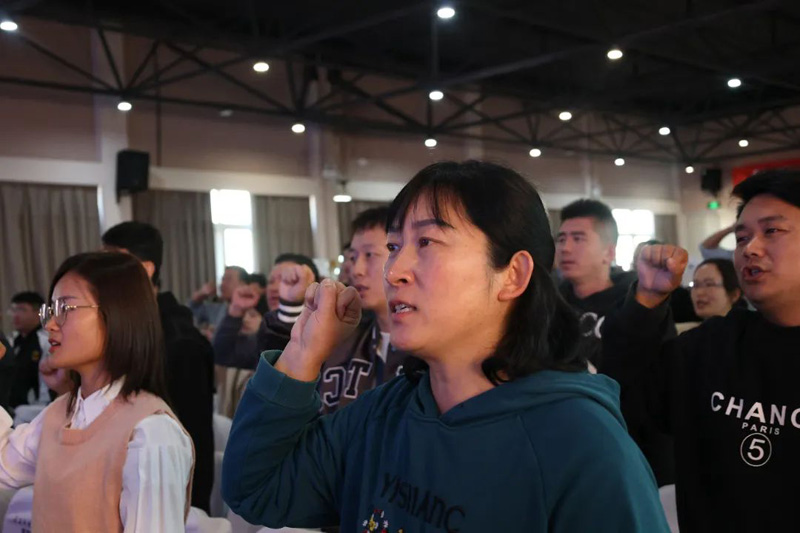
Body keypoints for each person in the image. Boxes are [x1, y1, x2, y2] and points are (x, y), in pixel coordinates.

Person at [221, 161, 669, 532]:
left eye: (427, 242)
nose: (394, 270)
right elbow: (256, 489)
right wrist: (303, 351)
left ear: (513, 275)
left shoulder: (582, 446)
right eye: (394, 245)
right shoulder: (384, 414)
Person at [601, 168, 800, 531]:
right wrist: (646, 300)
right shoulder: (711, 347)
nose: (750, 249)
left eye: (772, 231)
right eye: (742, 237)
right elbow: (625, 396)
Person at [0, 252, 194, 532]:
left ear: (117, 314)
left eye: (65, 308)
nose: (51, 324)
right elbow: (4, 466)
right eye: (50, 310)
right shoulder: (61, 413)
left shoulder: (150, 433)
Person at [215, 210, 407, 414]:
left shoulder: (415, 343)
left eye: (369, 255)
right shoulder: (341, 335)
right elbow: (284, 375)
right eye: (352, 257)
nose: (356, 269)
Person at [557, 200, 674, 486]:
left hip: (628, 445)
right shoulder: (549, 305)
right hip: (565, 442)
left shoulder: (641, 302)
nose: (565, 248)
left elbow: (660, 378)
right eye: (561, 239)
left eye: (578, 238)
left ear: (609, 252)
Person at [102, 221, 215, 513]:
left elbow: (191, 436)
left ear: (146, 269)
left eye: (111, 261)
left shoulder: (179, 340)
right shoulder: (126, 327)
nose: (101, 274)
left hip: (164, 501)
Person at [6, 292, 49, 409]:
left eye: (22, 310)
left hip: (35, 408)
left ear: (38, 313)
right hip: (11, 408)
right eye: (13, 310)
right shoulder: (12, 341)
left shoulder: (46, 341)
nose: (15, 315)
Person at [189, 265, 248, 337]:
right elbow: (190, 311)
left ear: (243, 284)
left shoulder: (251, 313)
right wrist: (201, 293)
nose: (223, 284)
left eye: (228, 280)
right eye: (223, 279)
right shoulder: (216, 309)